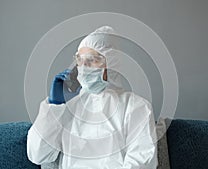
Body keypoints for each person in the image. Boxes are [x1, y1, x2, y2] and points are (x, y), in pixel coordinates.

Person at [27, 26, 158, 169]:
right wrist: (54, 107)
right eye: (80, 60)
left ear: (111, 63)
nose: (84, 67)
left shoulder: (135, 107)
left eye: (92, 60)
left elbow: (142, 161)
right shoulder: (69, 108)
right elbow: (38, 154)